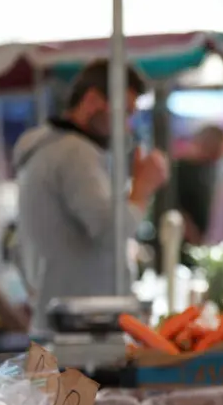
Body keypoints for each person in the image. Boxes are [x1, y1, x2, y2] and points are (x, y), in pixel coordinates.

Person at [12, 60, 168, 332]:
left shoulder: (49, 148)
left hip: (60, 322)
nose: (128, 127)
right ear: (94, 100)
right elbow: (109, 230)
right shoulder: (74, 152)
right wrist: (142, 189)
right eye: (125, 113)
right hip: (80, 330)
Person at [173, 125, 223, 247]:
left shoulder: (208, 169)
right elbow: (174, 205)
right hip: (182, 242)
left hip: (201, 240)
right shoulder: (182, 169)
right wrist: (193, 235)